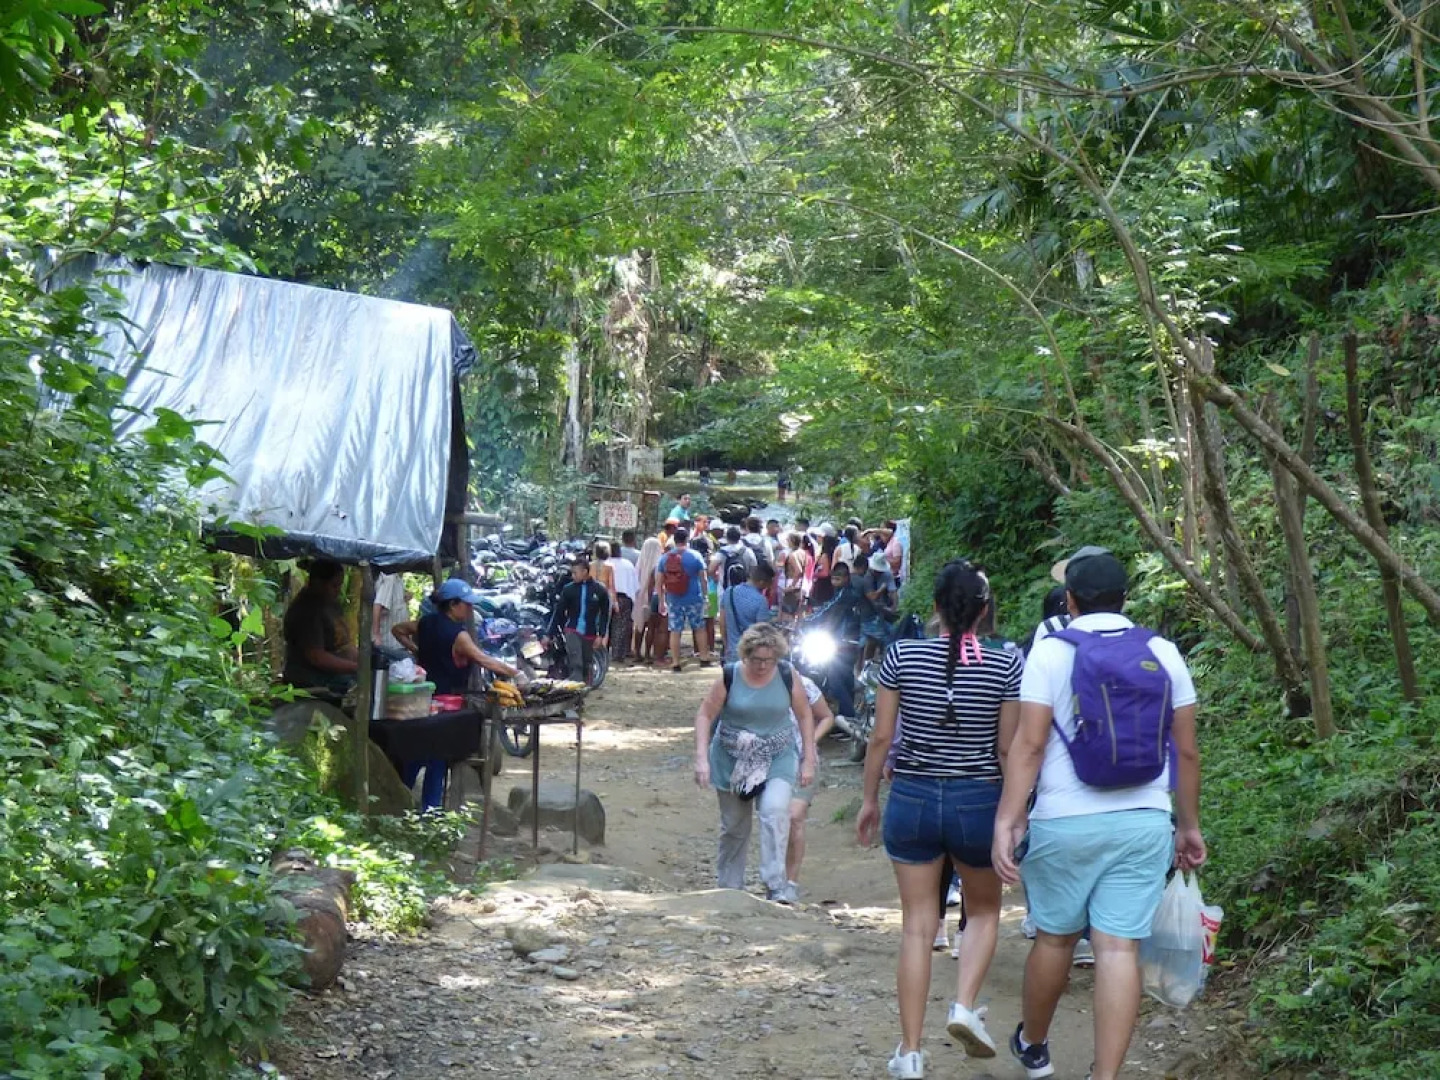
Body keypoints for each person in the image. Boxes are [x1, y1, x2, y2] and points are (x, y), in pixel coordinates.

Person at [993, 548, 1205, 1080]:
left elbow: (1028, 745)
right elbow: (1186, 751)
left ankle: (1034, 1046)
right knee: (1117, 950)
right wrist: (1188, 825)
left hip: (1064, 820)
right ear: (1124, 598)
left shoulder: (1050, 652)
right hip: (1143, 820)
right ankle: (1105, 1076)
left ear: (1070, 601)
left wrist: (1008, 818)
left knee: (1055, 938)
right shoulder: (1163, 651)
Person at [857, 560, 1022, 1079]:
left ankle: (909, 1052)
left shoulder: (901, 655)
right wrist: (1013, 815)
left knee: (916, 927)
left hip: (913, 798)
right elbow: (1007, 749)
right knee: (985, 911)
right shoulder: (1006, 663)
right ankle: (964, 1006)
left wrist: (869, 799)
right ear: (984, 610)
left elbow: (881, 738)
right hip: (978, 800)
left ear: (934, 606)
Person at [693, 623, 817, 904]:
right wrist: (701, 758)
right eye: (757, 659)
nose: (762, 666)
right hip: (732, 757)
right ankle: (729, 887)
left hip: (777, 755)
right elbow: (705, 714)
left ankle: (776, 885)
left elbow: (805, 715)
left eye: (769, 660)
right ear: (745, 656)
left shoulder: (787, 674)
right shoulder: (730, 676)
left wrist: (808, 759)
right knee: (735, 826)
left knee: (775, 812)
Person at [391, 579, 522, 810]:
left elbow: (398, 630)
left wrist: (417, 651)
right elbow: (483, 659)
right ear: (453, 605)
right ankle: (430, 811)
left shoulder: (425, 623)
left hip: (422, 701)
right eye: (466, 604)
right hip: (447, 706)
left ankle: (399, 802)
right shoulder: (458, 635)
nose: (470, 609)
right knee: (437, 758)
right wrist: (516, 673)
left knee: (416, 753)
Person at [785, 673, 835, 893]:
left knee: (795, 817)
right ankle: (774, 877)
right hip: (768, 762)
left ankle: (790, 882)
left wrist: (809, 741)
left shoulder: (804, 684)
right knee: (775, 819)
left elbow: (827, 717)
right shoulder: (755, 683)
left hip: (804, 760)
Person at [282, 560, 358, 691]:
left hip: (336, 672)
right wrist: (355, 667)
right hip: (311, 678)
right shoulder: (306, 610)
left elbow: (344, 644)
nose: (338, 590)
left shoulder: (332, 604)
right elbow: (316, 657)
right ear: (318, 583)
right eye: (334, 586)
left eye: (339, 585)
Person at [655, 527, 712, 671]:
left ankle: (675, 662)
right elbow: (704, 578)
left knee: (675, 631)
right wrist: (706, 596)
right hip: (694, 598)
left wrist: (662, 600)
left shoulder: (664, 558)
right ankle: (704, 658)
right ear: (687, 539)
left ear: (674, 540)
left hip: (673, 599)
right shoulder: (695, 556)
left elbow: (659, 582)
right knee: (699, 628)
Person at [546, 556, 610, 683]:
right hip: (572, 630)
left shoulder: (600, 590)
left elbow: (604, 614)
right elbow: (558, 613)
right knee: (576, 662)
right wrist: (549, 634)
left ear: (585, 572)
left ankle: (585, 686)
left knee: (587, 664)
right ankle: (575, 686)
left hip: (590, 632)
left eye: (575, 573)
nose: (573, 576)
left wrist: (601, 635)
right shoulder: (568, 589)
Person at [719, 563, 774, 663]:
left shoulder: (729, 592)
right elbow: (762, 631)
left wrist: (726, 645)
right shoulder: (761, 601)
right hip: (751, 654)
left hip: (732, 652)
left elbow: (722, 622)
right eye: (769, 584)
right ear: (762, 582)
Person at [602, 541, 639, 663]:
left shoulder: (604, 564)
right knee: (621, 627)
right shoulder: (627, 564)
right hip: (624, 598)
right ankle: (617, 655)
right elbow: (635, 585)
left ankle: (602, 653)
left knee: (604, 625)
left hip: (605, 597)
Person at [633, 536, 665, 663]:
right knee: (652, 627)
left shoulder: (639, 563)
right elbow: (654, 584)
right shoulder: (659, 564)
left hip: (640, 597)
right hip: (653, 597)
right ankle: (647, 654)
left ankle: (637, 653)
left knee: (639, 626)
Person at [371, 571, 410, 661]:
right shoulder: (390, 578)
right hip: (390, 643)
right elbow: (378, 605)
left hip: (397, 642)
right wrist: (376, 635)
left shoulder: (397, 579)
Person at [809, 529, 839, 608]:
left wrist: (813, 574)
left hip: (823, 585)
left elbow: (825, 573)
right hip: (830, 584)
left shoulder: (825, 556)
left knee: (820, 605)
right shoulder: (834, 554)